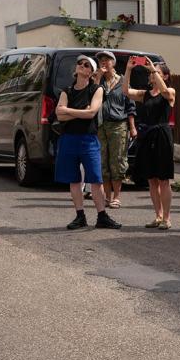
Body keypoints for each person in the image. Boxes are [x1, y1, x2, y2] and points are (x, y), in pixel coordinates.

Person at [54, 55, 121, 230]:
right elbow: (58, 114)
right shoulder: (66, 91)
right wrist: (79, 112)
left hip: (88, 139)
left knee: (96, 180)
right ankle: (80, 216)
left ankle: (102, 216)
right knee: (74, 180)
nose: (82, 66)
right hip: (69, 139)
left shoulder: (96, 89)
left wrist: (67, 111)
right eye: (79, 64)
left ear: (91, 72)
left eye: (86, 65)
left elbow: (91, 113)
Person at [123, 56, 176, 229]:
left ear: (165, 76)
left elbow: (166, 93)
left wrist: (153, 68)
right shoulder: (144, 94)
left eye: (157, 73)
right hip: (146, 135)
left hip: (162, 134)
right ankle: (158, 215)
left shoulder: (170, 92)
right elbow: (126, 91)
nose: (152, 75)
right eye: (152, 73)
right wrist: (129, 69)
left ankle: (167, 218)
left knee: (163, 179)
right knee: (151, 179)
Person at [94, 50, 134, 209]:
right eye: (101, 60)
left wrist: (132, 127)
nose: (103, 62)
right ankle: (107, 197)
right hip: (100, 125)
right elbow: (91, 97)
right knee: (103, 161)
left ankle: (117, 197)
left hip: (118, 125)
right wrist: (97, 78)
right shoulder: (98, 81)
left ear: (114, 63)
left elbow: (130, 105)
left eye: (107, 60)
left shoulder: (123, 81)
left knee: (117, 161)